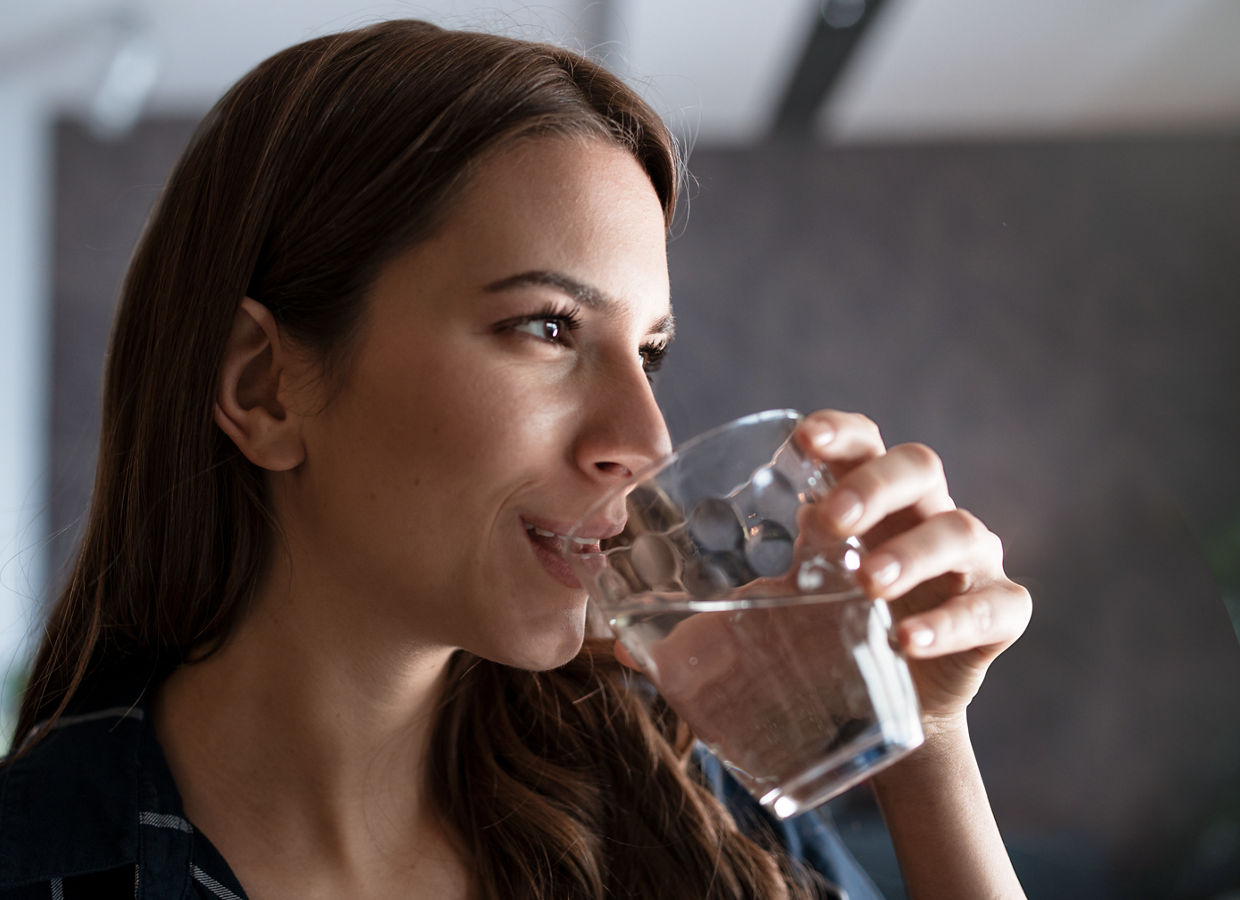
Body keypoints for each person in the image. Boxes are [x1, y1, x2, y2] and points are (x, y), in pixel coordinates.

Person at [0, 19, 1032, 900]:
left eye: (651, 352)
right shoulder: (39, 860)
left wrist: (924, 752)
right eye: (546, 328)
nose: (645, 440)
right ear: (264, 388)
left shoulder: (677, 802)